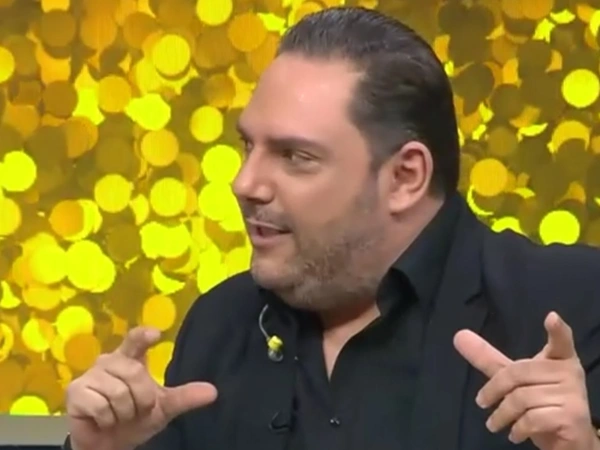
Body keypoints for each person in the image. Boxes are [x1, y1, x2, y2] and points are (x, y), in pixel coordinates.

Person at [62, 6, 600, 450]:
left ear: (405, 177)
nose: (245, 183)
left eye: (295, 156)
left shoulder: (572, 309)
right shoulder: (220, 326)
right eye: (248, 146)